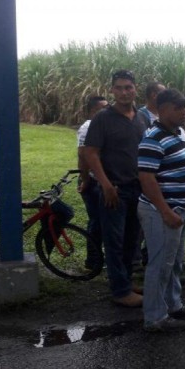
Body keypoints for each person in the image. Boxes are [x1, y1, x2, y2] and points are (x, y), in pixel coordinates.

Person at [84, 70, 147, 307]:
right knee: (115, 240)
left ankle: (127, 282)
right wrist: (106, 184)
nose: (124, 92)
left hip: (138, 188)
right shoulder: (103, 118)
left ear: (135, 89)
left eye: (128, 87)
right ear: (112, 90)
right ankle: (120, 291)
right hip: (114, 189)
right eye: (119, 88)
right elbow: (91, 153)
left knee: (132, 238)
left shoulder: (141, 117)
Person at [138, 88, 185, 332]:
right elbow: (146, 178)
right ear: (162, 110)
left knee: (174, 263)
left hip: (177, 209)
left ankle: (173, 305)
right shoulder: (153, 137)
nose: (184, 111)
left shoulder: (175, 134)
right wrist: (165, 211)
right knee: (160, 264)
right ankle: (155, 318)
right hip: (161, 211)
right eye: (178, 107)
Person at [77, 95, 108, 271]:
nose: (105, 111)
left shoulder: (101, 126)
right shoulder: (88, 127)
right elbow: (83, 155)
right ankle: (93, 259)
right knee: (96, 221)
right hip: (92, 181)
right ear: (92, 111)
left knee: (101, 221)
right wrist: (86, 180)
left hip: (99, 179)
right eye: (101, 108)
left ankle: (97, 257)